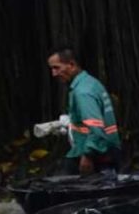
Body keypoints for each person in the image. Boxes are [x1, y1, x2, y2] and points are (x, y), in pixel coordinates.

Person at [47, 46, 122, 174]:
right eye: (51, 69)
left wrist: (88, 156)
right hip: (106, 150)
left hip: (95, 154)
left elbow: (95, 127)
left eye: (57, 67)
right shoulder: (91, 83)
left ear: (71, 65)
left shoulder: (83, 92)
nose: (53, 74)